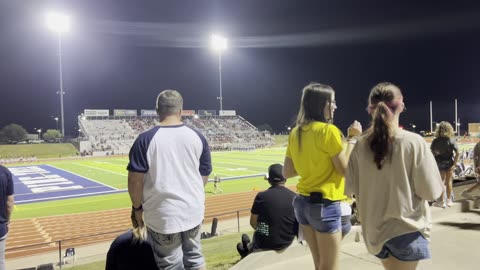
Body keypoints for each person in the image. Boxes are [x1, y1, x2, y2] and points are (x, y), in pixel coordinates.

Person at [345, 82, 444, 270]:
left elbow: (349, 189)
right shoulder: (414, 142)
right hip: (406, 230)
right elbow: (431, 192)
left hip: (374, 233)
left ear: (370, 108)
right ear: (401, 105)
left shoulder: (359, 145)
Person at [127, 90, 212, 270]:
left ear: (157, 110)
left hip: (162, 215)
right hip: (192, 211)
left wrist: (136, 209)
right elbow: (203, 175)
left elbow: (135, 180)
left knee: (170, 264)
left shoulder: (145, 140)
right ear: (181, 110)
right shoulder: (197, 136)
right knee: (195, 258)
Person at [283, 82, 362, 270]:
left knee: (320, 265)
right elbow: (345, 170)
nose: (335, 106)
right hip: (325, 204)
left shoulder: (296, 133)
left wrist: (313, 164)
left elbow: (288, 172)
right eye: (332, 102)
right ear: (322, 104)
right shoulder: (329, 131)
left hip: (302, 204)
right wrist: (352, 139)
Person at [236, 164, 298, 258]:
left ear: (269, 180)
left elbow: (253, 223)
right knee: (261, 231)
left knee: (260, 231)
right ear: (285, 179)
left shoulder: (261, 196)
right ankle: (248, 246)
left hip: (266, 242)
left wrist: (266, 231)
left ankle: (248, 249)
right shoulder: (295, 197)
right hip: (288, 241)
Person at [430, 121, 460, 208]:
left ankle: (441, 201)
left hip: (439, 163)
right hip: (449, 163)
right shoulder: (451, 140)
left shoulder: (435, 141)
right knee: (449, 181)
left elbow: (432, 153)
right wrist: (454, 164)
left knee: (441, 182)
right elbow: (458, 153)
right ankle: (449, 200)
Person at [0, 165, 14, 270]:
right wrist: (7, 220)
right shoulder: (5, 172)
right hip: (0, 226)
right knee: (0, 260)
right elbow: (10, 202)